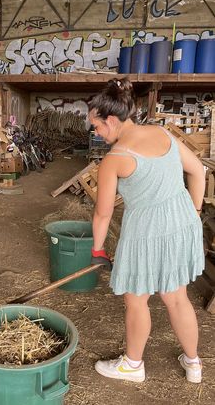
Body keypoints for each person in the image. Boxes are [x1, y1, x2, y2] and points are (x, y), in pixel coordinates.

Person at [88, 79, 205, 384]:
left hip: (146, 233)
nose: (96, 133)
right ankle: (193, 364)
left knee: (137, 300)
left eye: (96, 126)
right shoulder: (162, 133)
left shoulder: (114, 159)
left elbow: (102, 213)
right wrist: (194, 211)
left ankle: (133, 365)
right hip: (182, 224)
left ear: (111, 120)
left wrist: (97, 250)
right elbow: (198, 171)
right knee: (177, 297)